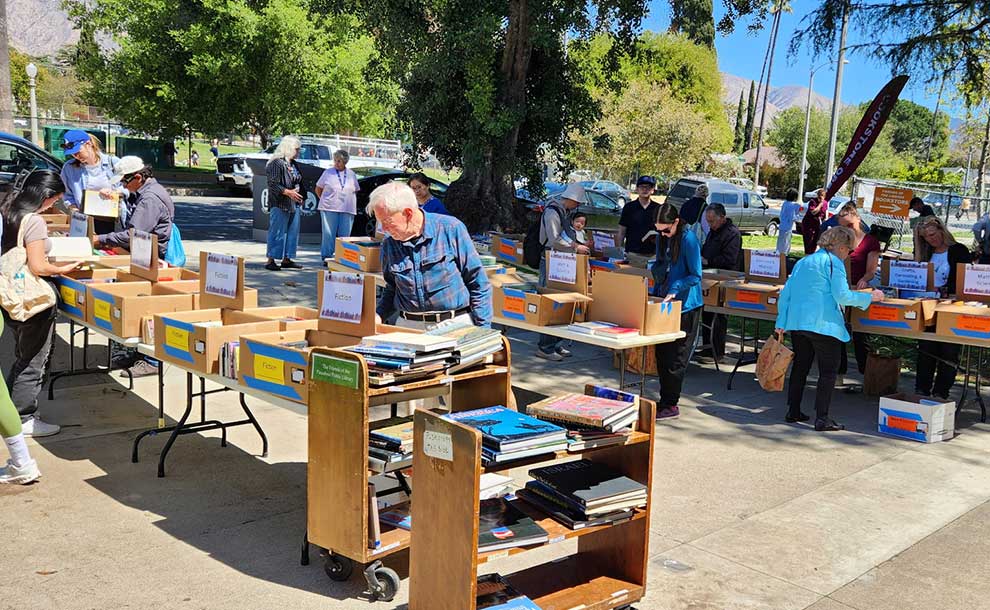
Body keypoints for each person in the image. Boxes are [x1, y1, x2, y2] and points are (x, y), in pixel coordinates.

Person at [1, 169, 83, 438]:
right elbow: (38, 265)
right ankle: (24, 417)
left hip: (10, 296)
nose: (53, 205)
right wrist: (64, 267)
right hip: (33, 300)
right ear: (45, 196)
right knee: (33, 360)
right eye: (54, 200)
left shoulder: (9, 208)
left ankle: (12, 413)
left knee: (21, 355)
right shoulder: (33, 220)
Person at [776, 227, 883, 431]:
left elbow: (786, 294)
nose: (849, 254)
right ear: (841, 247)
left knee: (800, 367)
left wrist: (781, 323)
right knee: (828, 372)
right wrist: (870, 297)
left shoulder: (803, 261)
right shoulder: (834, 263)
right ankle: (822, 418)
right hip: (824, 324)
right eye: (849, 250)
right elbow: (843, 296)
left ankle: (793, 410)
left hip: (798, 323)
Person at [371, 181, 492, 330]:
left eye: (387, 222)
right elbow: (392, 288)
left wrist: (483, 331)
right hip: (408, 327)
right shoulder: (389, 244)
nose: (383, 228)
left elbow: (478, 282)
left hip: (453, 325)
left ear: (408, 213)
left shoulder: (450, 229)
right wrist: (379, 315)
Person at [651, 203, 703, 420]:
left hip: (686, 305)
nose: (662, 234)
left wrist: (675, 287)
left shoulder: (689, 240)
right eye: (659, 230)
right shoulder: (662, 238)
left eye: (666, 230)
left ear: (676, 222)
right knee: (661, 354)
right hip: (665, 302)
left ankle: (671, 403)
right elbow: (660, 263)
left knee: (676, 357)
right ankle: (665, 399)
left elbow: (696, 275)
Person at [915, 216, 971, 399]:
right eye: (926, 237)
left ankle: (941, 392)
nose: (931, 239)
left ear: (942, 230)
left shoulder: (958, 250)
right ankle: (922, 389)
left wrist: (946, 291)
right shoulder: (926, 253)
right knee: (926, 349)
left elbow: (964, 281)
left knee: (948, 352)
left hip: (951, 307)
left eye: (933, 234)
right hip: (928, 305)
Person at [536, 183, 589, 361]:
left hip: (562, 261)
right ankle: (545, 346)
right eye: (577, 203)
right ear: (572, 199)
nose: (578, 206)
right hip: (552, 260)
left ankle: (556, 343)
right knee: (551, 303)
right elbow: (555, 239)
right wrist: (576, 247)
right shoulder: (552, 212)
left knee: (563, 303)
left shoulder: (563, 211)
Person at [92, 156, 175, 259]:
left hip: (149, 257)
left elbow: (133, 235)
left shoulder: (149, 199)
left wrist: (100, 239)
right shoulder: (151, 190)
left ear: (138, 178)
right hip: (145, 252)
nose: (124, 186)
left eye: (124, 182)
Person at [837, 202, 881, 375]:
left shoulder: (870, 242)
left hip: (858, 290)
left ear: (858, 219)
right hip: (840, 290)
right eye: (843, 226)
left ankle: (866, 374)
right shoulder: (838, 241)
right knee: (838, 332)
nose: (847, 229)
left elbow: (871, 270)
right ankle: (839, 372)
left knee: (861, 334)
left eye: (850, 225)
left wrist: (865, 278)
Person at [59, 130, 125, 235]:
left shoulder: (113, 163)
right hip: (83, 219)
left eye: (78, 152)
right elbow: (67, 195)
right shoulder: (69, 168)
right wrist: (74, 210)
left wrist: (113, 193)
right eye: (72, 154)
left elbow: (127, 189)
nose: (76, 156)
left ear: (88, 144)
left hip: (110, 221)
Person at [698, 203, 742, 363]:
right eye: (708, 221)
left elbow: (730, 259)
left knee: (718, 317)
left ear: (722, 218)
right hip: (709, 276)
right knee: (707, 314)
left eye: (712, 221)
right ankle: (707, 350)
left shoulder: (732, 233)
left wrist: (708, 260)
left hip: (725, 278)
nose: (710, 224)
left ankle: (717, 352)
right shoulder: (713, 231)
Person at [264, 136, 304, 271]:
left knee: (292, 232)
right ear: (288, 148)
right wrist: (288, 192)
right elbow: (272, 184)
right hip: (280, 202)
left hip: (294, 203)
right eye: (296, 149)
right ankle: (271, 259)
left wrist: (299, 194)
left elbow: (297, 180)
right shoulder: (277, 163)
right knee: (277, 231)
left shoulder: (292, 163)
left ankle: (287, 258)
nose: (298, 152)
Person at [315, 150, 360, 261]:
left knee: (345, 236)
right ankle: (327, 257)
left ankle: (343, 258)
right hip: (329, 207)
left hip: (347, 208)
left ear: (345, 161)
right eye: (335, 160)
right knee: (328, 234)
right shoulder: (328, 172)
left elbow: (356, 190)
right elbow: (318, 188)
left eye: (339, 161)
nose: (336, 163)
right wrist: (325, 200)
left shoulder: (351, 174)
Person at [617, 176, 660, 255]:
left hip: (652, 253)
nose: (645, 189)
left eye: (648, 187)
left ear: (652, 190)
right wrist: (619, 249)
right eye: (642, 187)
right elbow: (622, 230)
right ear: (637, 189)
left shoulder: (658, 208)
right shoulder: (629, 207)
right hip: (632, 251)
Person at [777, 188, 803, 254]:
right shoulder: (792, 205)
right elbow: (792, 217)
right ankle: (784, 257)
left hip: (782, 226)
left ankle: (778, 255)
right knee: (785, 245)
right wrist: (800, 219)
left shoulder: (785, 203)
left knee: (780, 243)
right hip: (787, 227)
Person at [802, 188, 827, 254]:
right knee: (808, 241)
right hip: (808, 225)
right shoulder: (813, 202)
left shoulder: (825, 203)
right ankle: (807, 255)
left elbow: (825, 214)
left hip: (817, 225)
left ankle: (812, 254)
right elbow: (813, 212)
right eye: (819, 195)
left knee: (815, 242)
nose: (820, 197)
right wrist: (820, 205)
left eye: (822, 196)